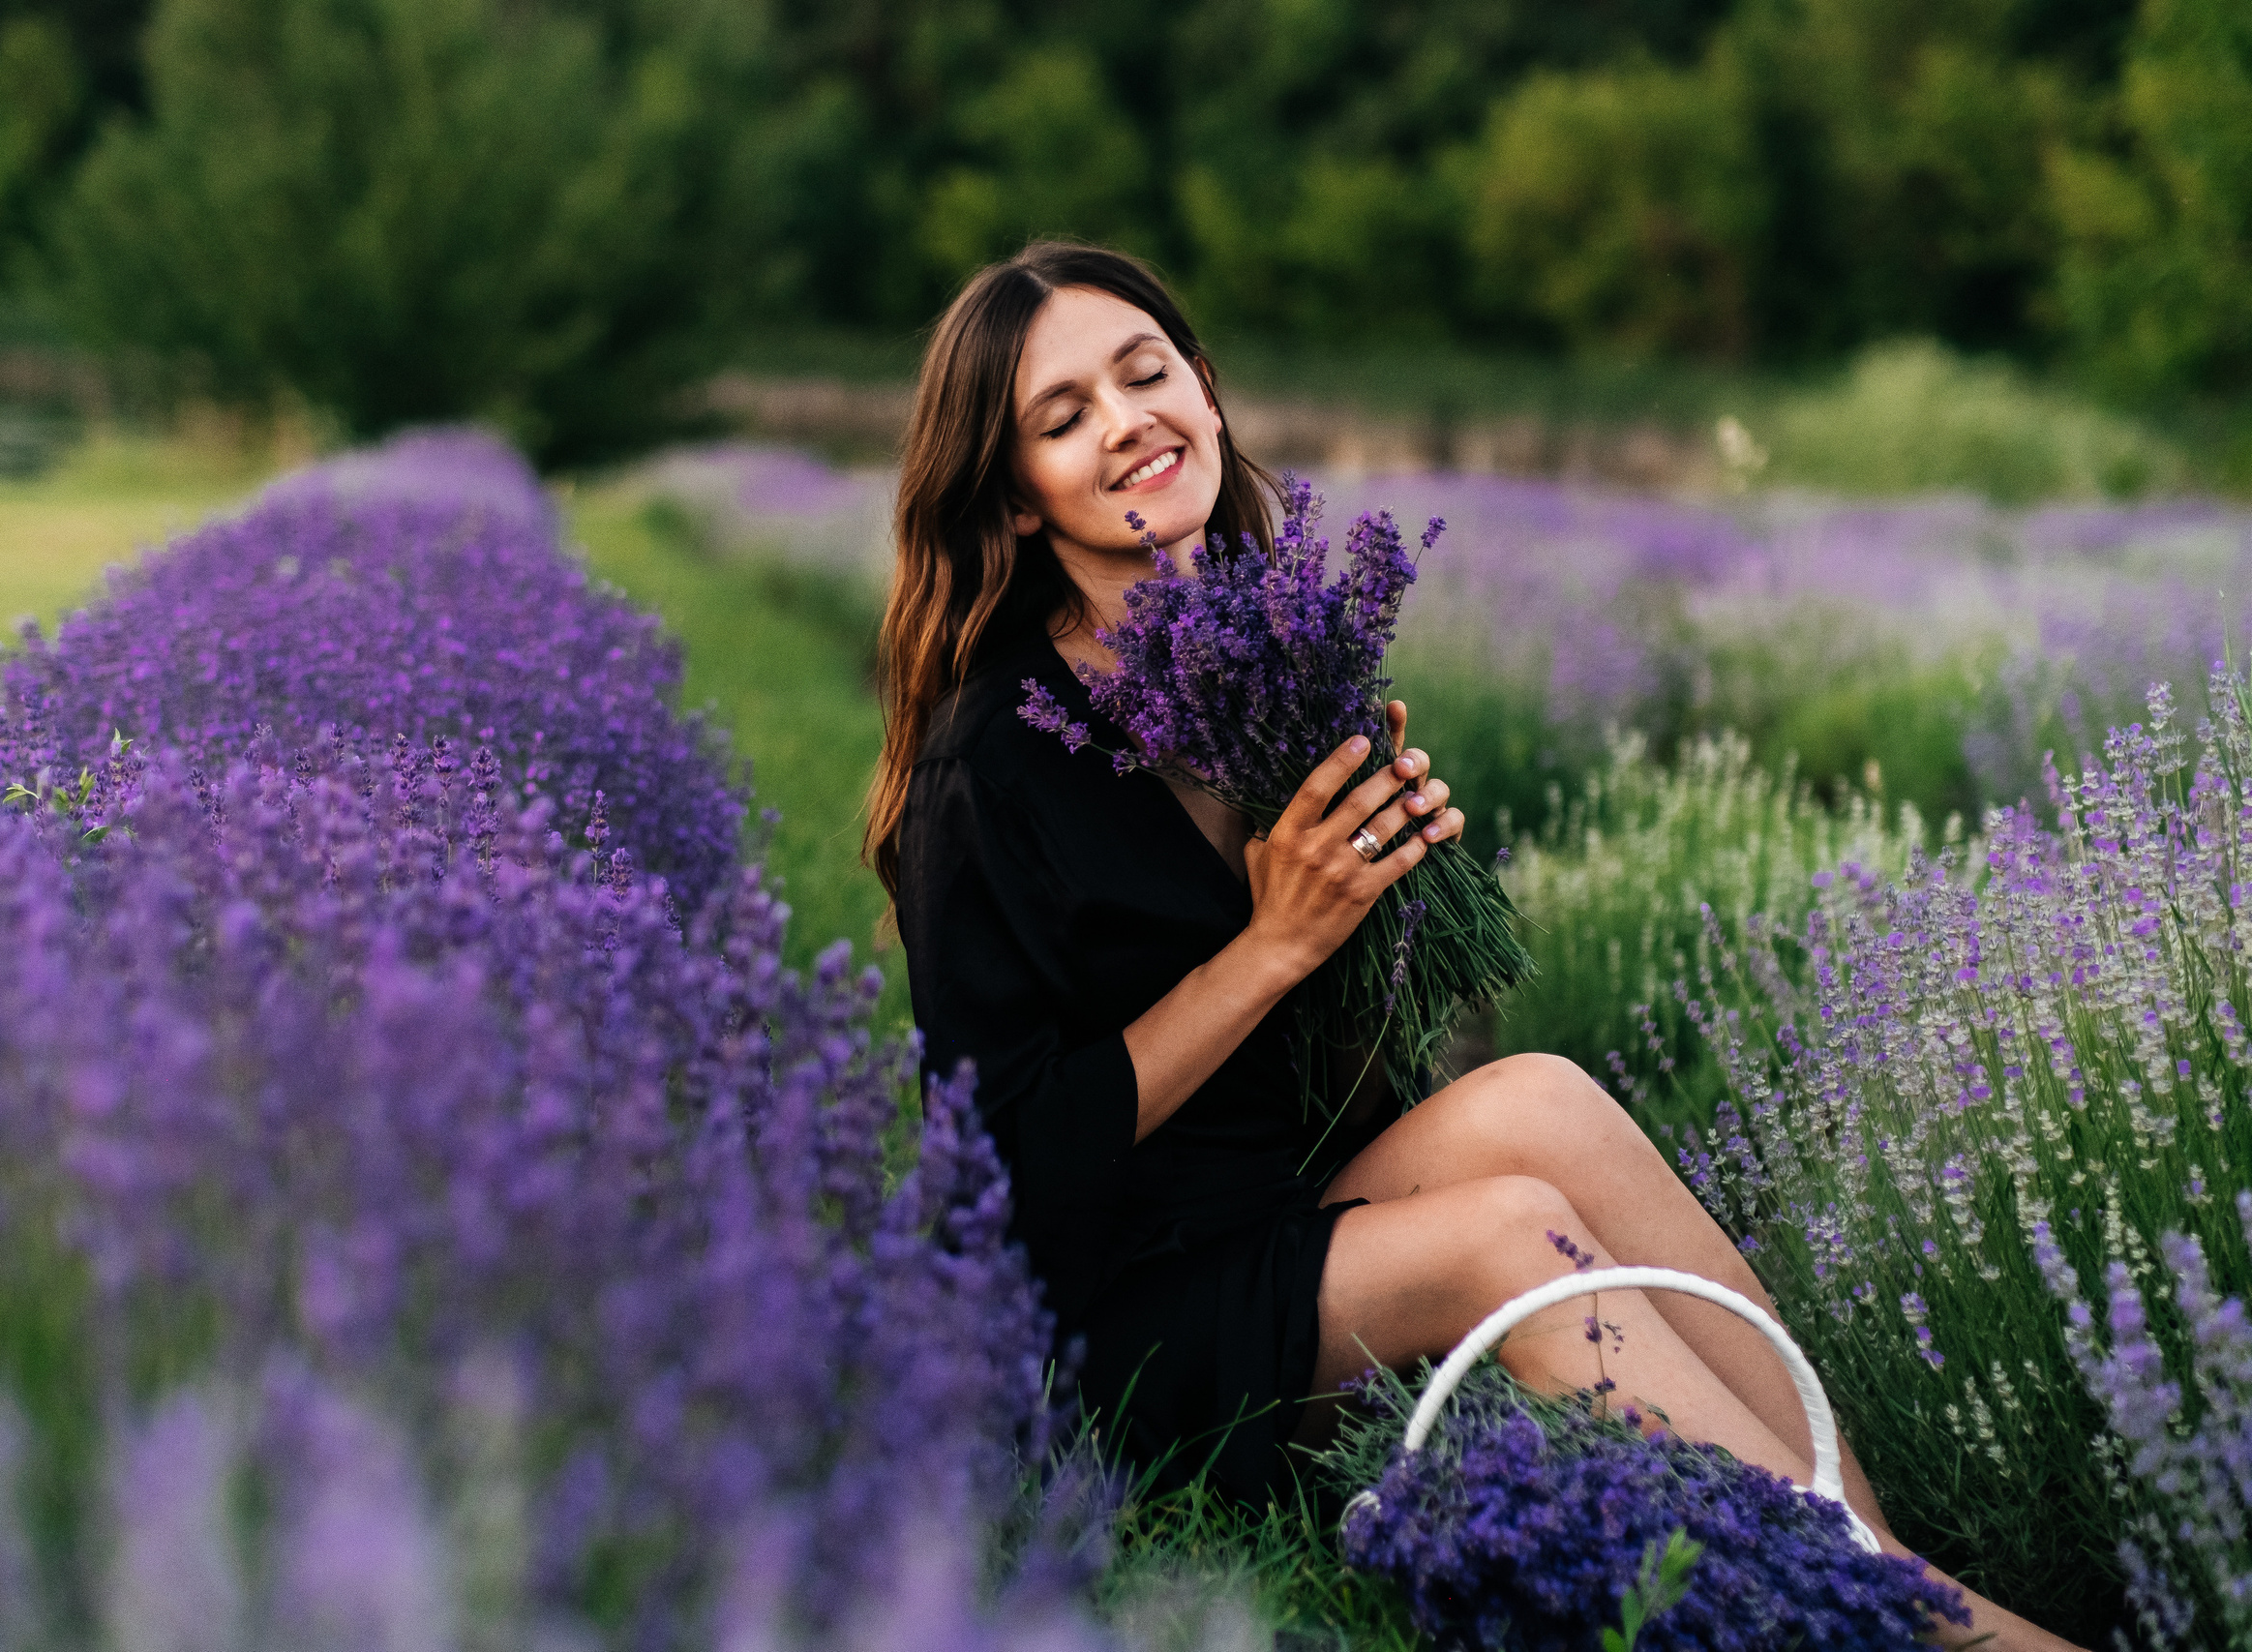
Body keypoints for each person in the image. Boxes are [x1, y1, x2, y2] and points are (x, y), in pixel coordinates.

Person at [866, 240, 2079, 1651]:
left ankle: (1887, 1572)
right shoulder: (990, 763)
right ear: (1015, 495)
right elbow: (1009, 1159)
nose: (1129, 420)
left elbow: (1348, 1067)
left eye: (1147, 374)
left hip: (1266, 1203)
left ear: (1205, 390)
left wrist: (1395, 901)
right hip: (1114, 1314)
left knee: (1540, 1098)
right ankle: (1956, 1640)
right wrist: (1274, 943)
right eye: (1064, 416)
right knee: (1504, 1236)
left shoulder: (1272, 656)